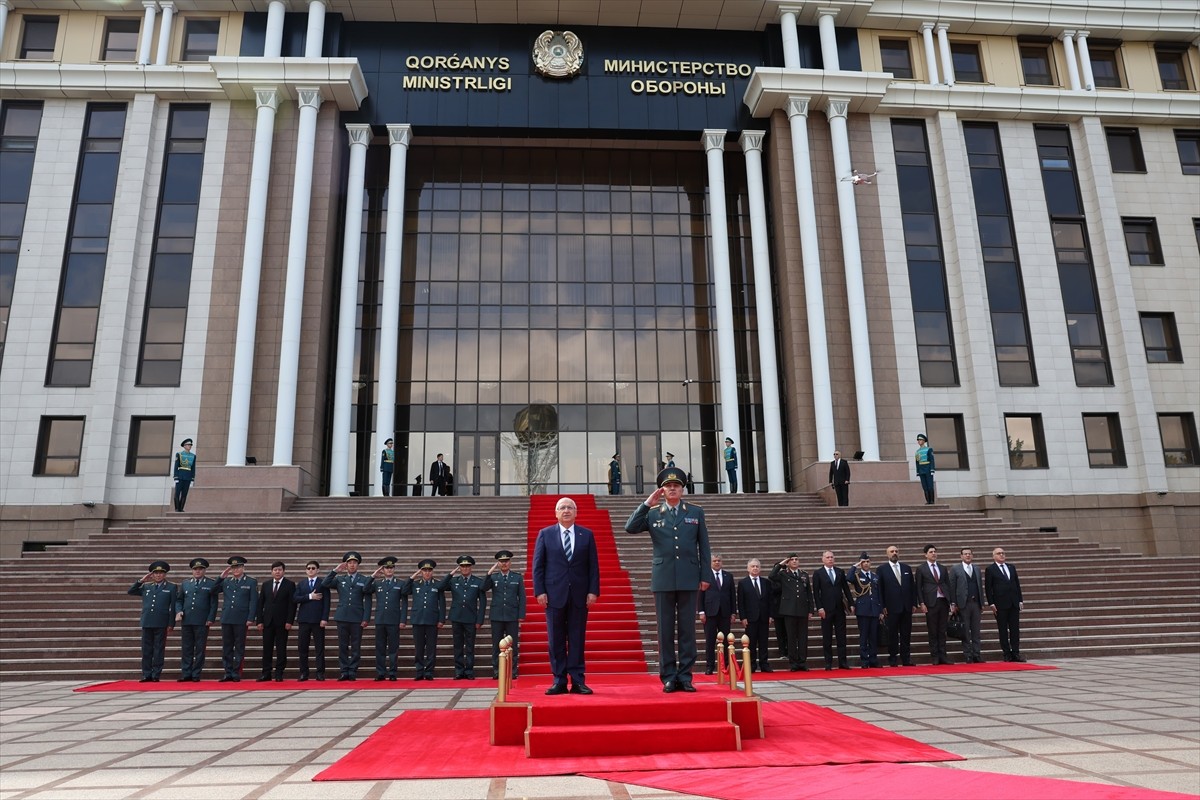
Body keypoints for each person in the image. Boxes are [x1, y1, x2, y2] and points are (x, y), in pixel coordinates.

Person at [625, 467, 712, 693]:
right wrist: (646, 503)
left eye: (676, 486)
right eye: (668, 486)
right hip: (663, 578)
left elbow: (704, 546)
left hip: (688, 576)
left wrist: (705, 575)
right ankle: (668, 677)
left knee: (687, 630)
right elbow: (630, 528)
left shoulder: (695, 512)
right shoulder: (653, 513)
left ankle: (685, 676)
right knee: (664, 630)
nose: (672, 489)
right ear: (662, 490)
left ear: (682, 490)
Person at [533, 497, 599, 695]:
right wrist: (540, 591)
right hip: (554, 595)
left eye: (570, 507)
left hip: (579, 594)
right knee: (556, 639)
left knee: (577, 638)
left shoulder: (586, 535)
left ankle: (578, 680)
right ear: (556, 513)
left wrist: (593, 591)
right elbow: (538, 566)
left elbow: (593, 566)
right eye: (562, 508)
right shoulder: (545, 534)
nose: (566, 510)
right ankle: (559, 680)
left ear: (576, 512)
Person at [321, 551, 373, 681]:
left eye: (354, 563)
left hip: (357, 617)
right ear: (346, 565)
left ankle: (353, 670)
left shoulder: (364, 579)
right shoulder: (340, 579)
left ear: (358, 565)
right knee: (343, 645)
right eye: (349, 563)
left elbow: (368, 600)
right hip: (342, 616)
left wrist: (366, 618)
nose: (352, 565)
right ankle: (344, 671)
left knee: (356, 646)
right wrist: (335, 571)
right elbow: (325, 584)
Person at [438, 555, 487, 680]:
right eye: (462, 566)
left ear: (471, 567)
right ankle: (459, 671)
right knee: (458, 645)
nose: (465, 569)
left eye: (467, 566)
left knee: (470, 646)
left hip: (471, 618)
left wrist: (480, 620)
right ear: (459, 568)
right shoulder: (454, 581)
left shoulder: (477, 582)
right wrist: (450, 574)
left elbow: (483, 602)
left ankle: (469, 671)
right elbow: (440, 587)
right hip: (457, 617)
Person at [128, 560, 177, 682]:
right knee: (146, 649)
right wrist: (141, 580)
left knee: (159, 649)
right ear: (152, 575)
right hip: (147, 621)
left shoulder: (171, 587)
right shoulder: (146, 586)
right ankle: (146, 674)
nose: (158, 575)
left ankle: (156, 674)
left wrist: (171, 623)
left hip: (161, 622)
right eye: (156, 573)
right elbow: (131, 591)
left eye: (161, 573)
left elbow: (174, 606)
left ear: (165, 574)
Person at [175, 557, 219, 682]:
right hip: (187, 620)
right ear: (192, 571)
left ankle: (196, 673)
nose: (198, 571)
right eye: (195, 569)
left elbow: (213, 603)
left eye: (200, 569)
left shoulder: (211, 583)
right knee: (187, 648)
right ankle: (186, 673)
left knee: (200, 648)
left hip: (202, 620)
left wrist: (211, 618)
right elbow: (179, 600)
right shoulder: (186, 583)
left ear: (204, 570)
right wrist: (179, 611)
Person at [485, 549, 526, 679]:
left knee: (512, 644)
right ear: (498, 563)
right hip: (497, 616)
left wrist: (521, 614)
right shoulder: (494, 577)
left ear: (510, 562)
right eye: (501, 562)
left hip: (512, 615)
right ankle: (497, 671)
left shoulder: (517, 577)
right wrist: (488, 574)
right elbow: (483, 588)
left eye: (506, 561)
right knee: (496, 645)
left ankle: (512, 671)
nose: (504, 564)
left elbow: (522, 597)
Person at [402, 559, 445, 680]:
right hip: (418, 619)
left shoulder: (437, 584)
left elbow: (442, 603)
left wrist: (441, 619)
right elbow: (404, 591)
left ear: (432, 572)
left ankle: (429, 671)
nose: (427, 573)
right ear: (421, 572)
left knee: (431, 648)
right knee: (419, 648)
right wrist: (411, 578)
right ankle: (419, 671)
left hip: (432, 620)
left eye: (429, 570)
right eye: (424, 570)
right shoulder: (415, 584)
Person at [769, 553, 812, 671]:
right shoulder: (783, 574)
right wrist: (781, 563)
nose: (794, 561)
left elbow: (808, 593)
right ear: (788, 562)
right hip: (789, 610)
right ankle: (793, 663)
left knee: (803, 638)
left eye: (796, 559)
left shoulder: (804, 574)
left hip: (802, 609)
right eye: (791, 560)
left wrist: (810, 609)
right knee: (791, 637)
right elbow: (771, 576)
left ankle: (802, 662)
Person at [367, 556, 407, 681]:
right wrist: (373, 576)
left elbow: (404, 603)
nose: (389, 570)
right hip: (380, 619)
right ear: (382, 570)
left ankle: (393, 672)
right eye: (386, 568)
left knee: (393, 648)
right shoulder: (378, 583)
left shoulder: (400, 583)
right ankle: (380, 672)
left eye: (391, 567)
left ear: (394, 569)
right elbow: (365, 589)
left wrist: (403, 620)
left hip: (394, 619)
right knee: (380, 647)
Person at [217, 556, 257, 682]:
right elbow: (212, 591)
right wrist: (221, 577)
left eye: (238, 567)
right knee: (227, 647)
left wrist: (251, 617)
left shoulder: (251, 582)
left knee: (239, 646)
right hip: (227, 617)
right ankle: (227, 672)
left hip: (241, 618)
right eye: (233, 567)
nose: (236, 569)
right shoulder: (227, 581)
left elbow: (254, 601)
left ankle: (236, 672)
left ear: (243, 568)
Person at [254, 561, 295, 681]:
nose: (277, 572)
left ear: (284, 571)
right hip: (267, 622)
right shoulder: (266, 585)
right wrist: (259, 621)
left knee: (281, 648)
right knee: (267, 648)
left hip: (282, 623)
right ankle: (266, 673)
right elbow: (260, 603)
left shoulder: (289, 584)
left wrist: (289, 621)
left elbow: (292, 605)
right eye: (275, 570)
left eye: (280, 570)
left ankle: (279, 673)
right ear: (271, 571)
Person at [812, 550, 852, 670]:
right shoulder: (818, 573)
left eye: (832, 557)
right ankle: (828, 662)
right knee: (827, 637)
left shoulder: (839, 571)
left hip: (839, 608)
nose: (830, 559)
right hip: (826, 609)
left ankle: (843, 662)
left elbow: (846, 589)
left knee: (841, 636)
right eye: (828, 557)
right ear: (823, 559)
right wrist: (819, 607)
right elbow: (816, 592)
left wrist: (851, 603)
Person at [878, 545, 917, 667]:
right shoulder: (882, 569)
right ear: (887, 554)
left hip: (906, 607)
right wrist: (882, 606)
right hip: (891, 607)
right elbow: (880, 589)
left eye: (896, 551)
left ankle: (906, 659)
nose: (894, 553)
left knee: (906, 634)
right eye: (892, 551)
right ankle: (893, 659)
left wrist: (914, 603)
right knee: (892, 634)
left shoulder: (906, 568)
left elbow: (912, 587)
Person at [985, 546, 1026, 662]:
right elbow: (989, 588)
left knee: (1015, 629)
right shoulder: (990, 569)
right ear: (994, 556)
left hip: (1013, 603)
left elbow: (1017, 584)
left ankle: (1016, 653)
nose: (1001, 555)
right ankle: (1006, 653)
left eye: (1003, 553)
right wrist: (991, 603)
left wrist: (1020, 600)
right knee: (1003, 629)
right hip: (1000, 604)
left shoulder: (1011, 567)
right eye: (998, 553)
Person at [915, 544, 953, 665]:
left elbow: (948, 584)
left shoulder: (942, 568)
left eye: (935, 551)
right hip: (930, 602)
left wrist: (951, 601)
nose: (933, 554)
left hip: (943, 601)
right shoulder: (921, 569)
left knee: (942, 630)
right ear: (925, 554)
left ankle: (943, 655)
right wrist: (921, 602)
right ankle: (935, 656)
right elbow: (918, 587)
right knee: (933, 630)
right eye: (931, 552)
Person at [698, 554, 736, 675]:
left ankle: (725, 665)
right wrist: (701, 611)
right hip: (710, 612)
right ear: (710, 562)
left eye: (719, 561)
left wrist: (733, 612)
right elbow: (700, 595)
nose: (717, 562)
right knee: (710, 640)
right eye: (714, 561)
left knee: (725, 640)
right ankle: (710, 665)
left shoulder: (728, 576)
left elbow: (732, 595)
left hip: (725, 612)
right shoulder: (705, 576)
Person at [293, 560, 330, 681]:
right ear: (305, 570)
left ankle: (320, 672)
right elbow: (295, 598)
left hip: (318, 620)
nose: (311, 570)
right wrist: (310, 596)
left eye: (313, 568)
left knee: (319, 648)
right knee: (302, 647)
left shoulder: (323, 583)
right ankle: (304, 672)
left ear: (318, 570)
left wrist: (324, 618)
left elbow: (327, 602)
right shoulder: (301, 584)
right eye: (308, 568)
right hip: (304, 620)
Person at [949, 548, 985, 663]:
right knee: (965, 631)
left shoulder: (977, 569)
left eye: (969, 554)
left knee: (976, 631)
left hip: (976, 604)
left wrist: (982, 603)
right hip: (963, 604)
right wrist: (953, 603)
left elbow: (980, 586)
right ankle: (968, 655)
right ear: (961, 556)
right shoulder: (955, 569)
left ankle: (977, 654)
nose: (968, 556)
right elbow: (952, 587)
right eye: (965, 554)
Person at [736, 559, 772, 673]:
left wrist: (771, 615)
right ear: (748, 568)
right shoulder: (743, 583)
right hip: (750, 618)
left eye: (757, 566)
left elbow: (770, 601)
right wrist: (743, 617)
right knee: (750, 642)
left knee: (763, 642)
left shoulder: (766, 582)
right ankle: (751, 664)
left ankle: (764, 664)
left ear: (760, 568)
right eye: (752, 566)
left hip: (764, 617)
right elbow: (740, 602)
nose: (755, 568)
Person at [848, 553, 883, 668]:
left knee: (873, 637)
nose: (866, 564)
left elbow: (879, 594)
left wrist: (881, 611)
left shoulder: (875, 576)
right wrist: (854, 566)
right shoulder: (857, 576)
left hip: (874, 610)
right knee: (864, 636)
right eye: (864, 562)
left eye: (868, 561)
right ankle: (864, 660)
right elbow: (848, 578)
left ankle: (873, 660)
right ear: (861, 563)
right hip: (863, 610)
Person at [173, 438, 196, 512]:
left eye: (190, 445)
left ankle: (181, 508)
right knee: (177, 492)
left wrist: (192, 478)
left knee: (184, 493)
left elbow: (193, 468)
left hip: (188, 476)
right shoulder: (179, 454)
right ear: (184, 446)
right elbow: (176, 466)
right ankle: (177, 508)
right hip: (180, 476)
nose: (190, 446)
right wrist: (176, 476)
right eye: (188, 445)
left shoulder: (193, 456)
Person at [914, 433, 935, 505]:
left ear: (924, 441)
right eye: (918, 440)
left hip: (928, 468)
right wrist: (917, 471)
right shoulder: (917, 451)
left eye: (920, 440)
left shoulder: (929, 449)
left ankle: (931, 500)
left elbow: (932, 460)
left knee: (930, 485)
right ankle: (927, 500)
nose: (919, 441)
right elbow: (917, 462)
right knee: (924, 486)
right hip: (921, 469)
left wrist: (932, 469)